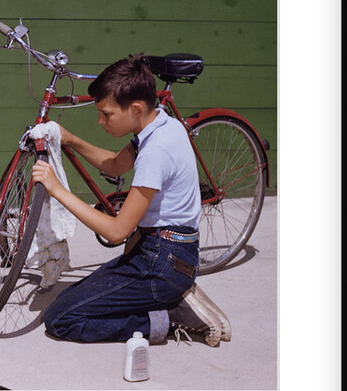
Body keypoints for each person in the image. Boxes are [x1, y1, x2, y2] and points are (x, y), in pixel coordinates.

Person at [30, 53, 227, 346]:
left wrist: (57, 189)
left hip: (163, 263)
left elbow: (116, 231)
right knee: (68, 300)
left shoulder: (156, 151)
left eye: (107, 114)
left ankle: (171, 316)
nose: (100, 121)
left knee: (60, 317)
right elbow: (113, 164)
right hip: (164, 253)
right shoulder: (161, 124)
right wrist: (70, 138)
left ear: (135, 109)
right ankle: (173, 297)